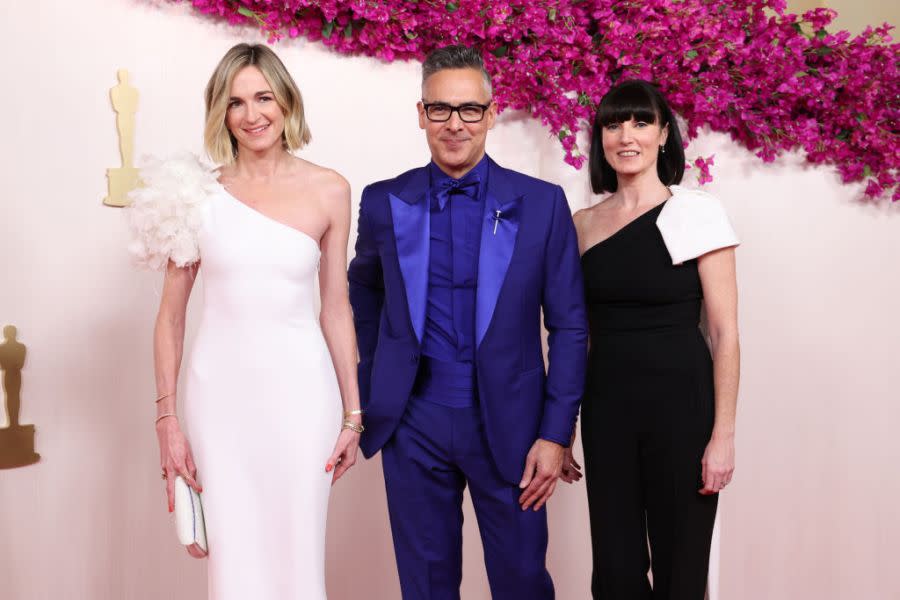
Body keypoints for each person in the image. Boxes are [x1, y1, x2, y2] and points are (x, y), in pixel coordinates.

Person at [348, 45, 588, 599]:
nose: (454, 124)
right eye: (440, 110)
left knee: (522, 581)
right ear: (421, 114)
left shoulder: (543, 203)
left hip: (513, 426)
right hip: (414, 424)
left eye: (469, 110)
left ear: (491, 111)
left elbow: (571, 326)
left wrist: (555, 433)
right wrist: (374, 376)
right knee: (426, 585)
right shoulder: (385, 201)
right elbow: (362, 287)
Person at [128, 43, 361, 599]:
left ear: (286, 102)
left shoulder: (330, 189)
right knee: (233, 565)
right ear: (220, 113)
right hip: (220, 401)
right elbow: (170, 318)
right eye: (236, 103)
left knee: (299, 556)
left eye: (263, 97)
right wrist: (167, 419)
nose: (252, 115)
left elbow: (335, 307)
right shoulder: (196, 195)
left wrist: (353, 415)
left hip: (304, 398)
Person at [572, 79, 740, 599]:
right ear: (600, 137)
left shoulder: (698, 212)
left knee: (681, 568)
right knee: (617, 571)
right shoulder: (580, 225)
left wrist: (723, 436)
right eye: (614, 123)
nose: (627, 135)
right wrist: (560, 425)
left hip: (683, 411)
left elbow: (724, 331)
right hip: (607, 411)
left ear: (665, 134)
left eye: (641, 122)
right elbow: (575, 333)